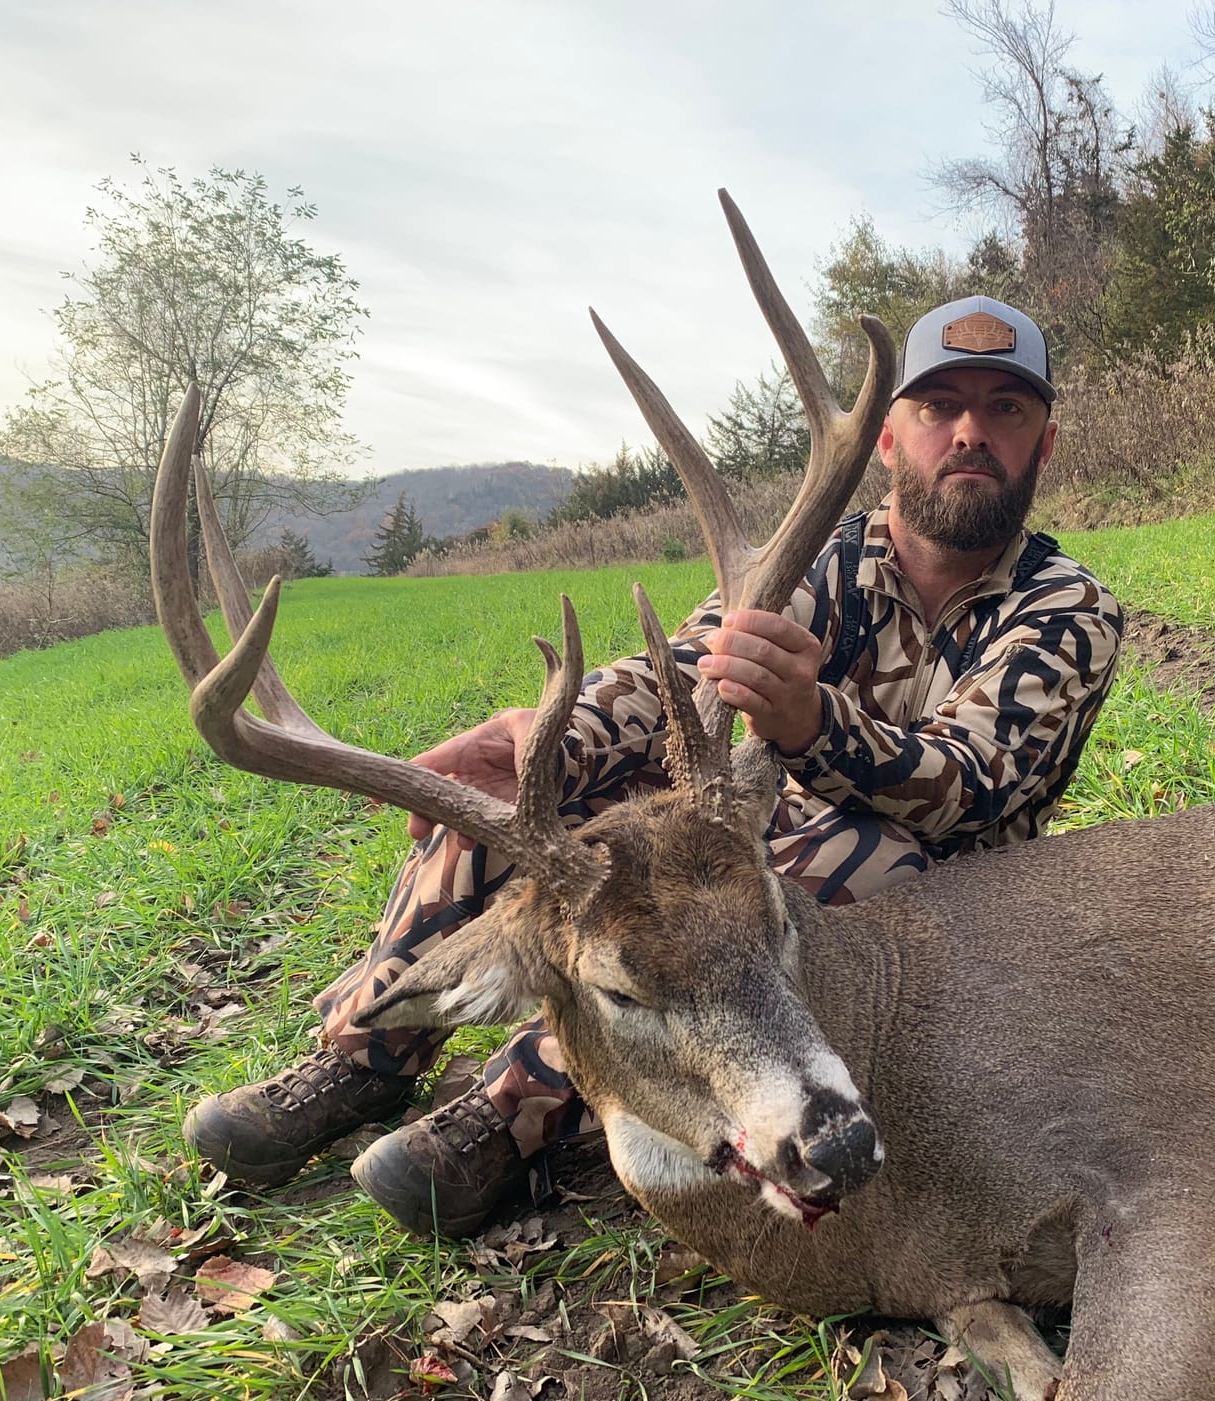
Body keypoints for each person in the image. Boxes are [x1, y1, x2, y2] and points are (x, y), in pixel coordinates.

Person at [183, 294, 1125, 1235]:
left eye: (1006, 409)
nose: (969, 433)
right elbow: (682, 674)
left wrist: (811, 723)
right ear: (888, 440)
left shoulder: (1066, 608)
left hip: (929, 893)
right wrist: (556, 740)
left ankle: (513, 1113)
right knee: (524, 810)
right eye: (938, 407)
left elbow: (965, 789)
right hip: (743, 829)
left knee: (824, 872)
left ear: (1043, 446)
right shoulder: (819, 566)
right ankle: (360, 1058)